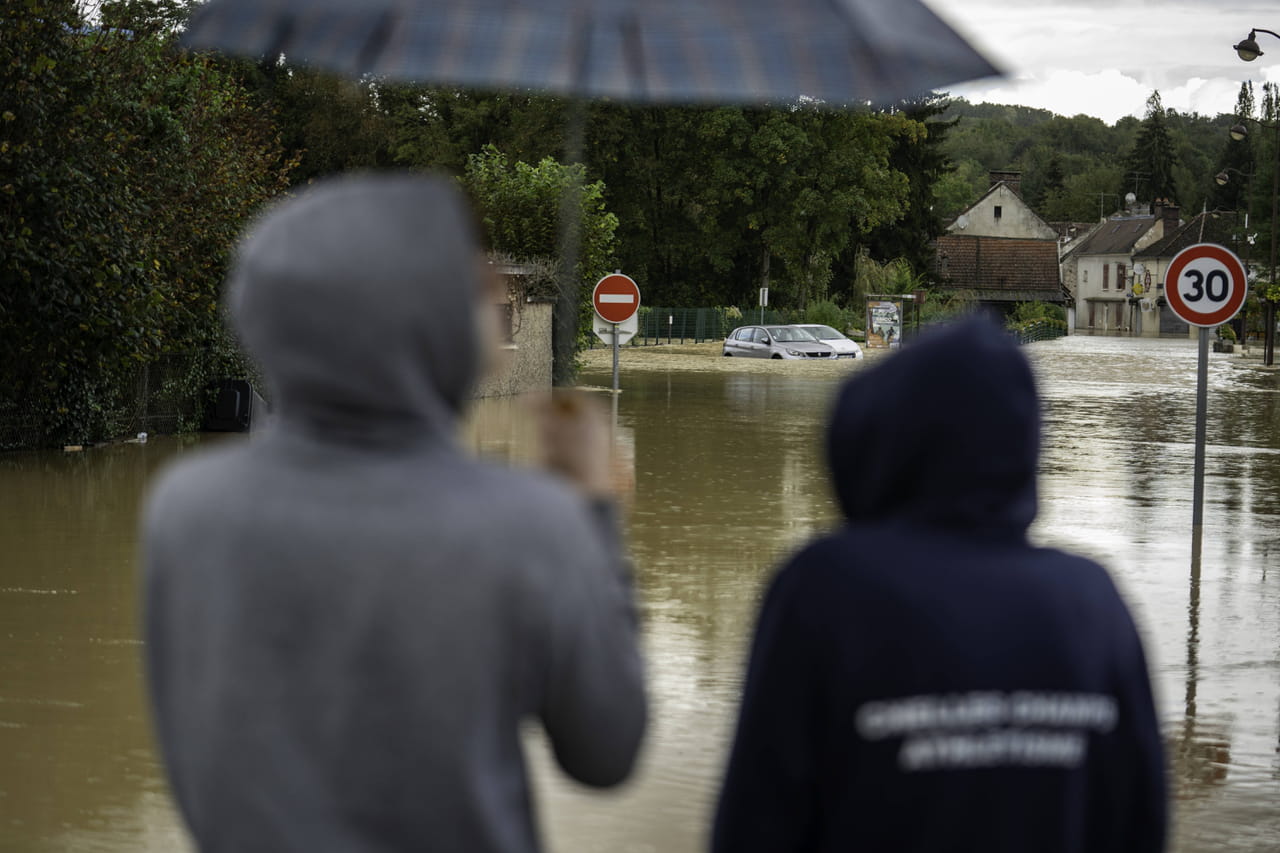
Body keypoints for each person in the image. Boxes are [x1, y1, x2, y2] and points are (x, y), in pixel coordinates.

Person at [141, 173, 646, 853]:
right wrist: (592, 513)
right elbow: (607, 748)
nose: (498, 288)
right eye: (473, 273)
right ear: (420, 313)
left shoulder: (183, 505)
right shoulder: (527, 525)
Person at [713, 318, 1165, 853]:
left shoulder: (825, 589)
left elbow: (757, 822)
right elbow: (1141, 824)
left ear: (875, 436)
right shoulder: (1094, 600)